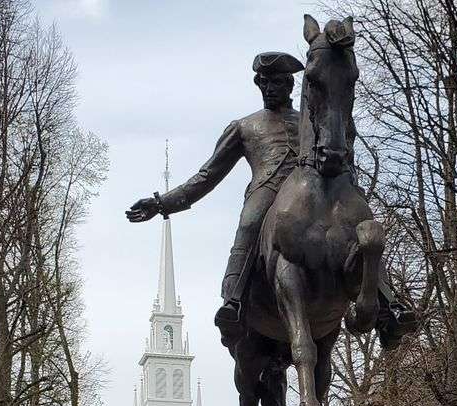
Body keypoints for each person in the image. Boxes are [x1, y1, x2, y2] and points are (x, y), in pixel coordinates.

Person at [126, 53, 415, 349]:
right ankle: (234, 301)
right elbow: (207, 175)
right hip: (269, 189)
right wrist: (162, 204)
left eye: (276, 82)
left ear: (291, 85)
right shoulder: (243, 127)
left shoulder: (311, 120)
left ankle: (387, 307)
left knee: (360, 228)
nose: (269, 88)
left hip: (313, 193)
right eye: (263, 83)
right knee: (250, 222)